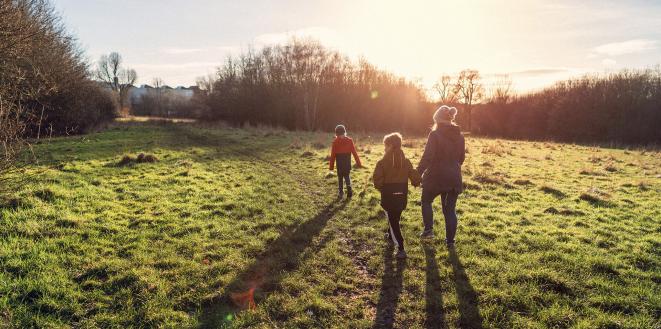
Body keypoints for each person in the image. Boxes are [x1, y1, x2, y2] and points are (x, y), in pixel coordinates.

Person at [417, 105, 465, 247]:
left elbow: (428, 157)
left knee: (426, 201)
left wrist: (418, 172)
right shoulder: (460, 137)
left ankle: (428, 230)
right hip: (454, 178)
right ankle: (450, 242)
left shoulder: (435, 134)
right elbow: (461, 159)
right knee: (450, 210)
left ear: (437, 120)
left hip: (435, 177)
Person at [373, 133, 421, 258]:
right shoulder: (406, 162)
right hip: (402, 193)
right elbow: (414, 176)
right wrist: (417, 181)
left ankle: (401, 248)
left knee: (393, 220)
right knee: (395, 217)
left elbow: (377, 181)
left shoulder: (382, 163)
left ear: (390, 146)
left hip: (388, 194)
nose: (384, 148)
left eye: (385, 146)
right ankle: (390, 233)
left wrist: (381, 187)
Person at [329, 124, 362, 199]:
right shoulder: (349, 141)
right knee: (347, 176)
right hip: (347, 163)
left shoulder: (335, 142)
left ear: (336, 133)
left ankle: (341, 193)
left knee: (340, 178)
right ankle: (349, 188)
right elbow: (354, 153)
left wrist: (331, 167)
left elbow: (332, 155)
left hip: (339, 164)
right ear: (344, 132)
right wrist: (358, 163)